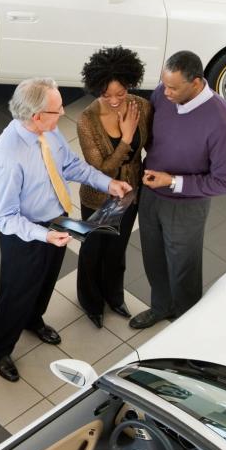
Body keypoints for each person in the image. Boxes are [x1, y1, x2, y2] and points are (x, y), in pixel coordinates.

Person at [0, 77, 131, 382]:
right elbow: (4, 217)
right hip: (26, 235)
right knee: (17, 292)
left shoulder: (49, 134)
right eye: (57, 109)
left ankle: (33, 319)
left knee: (45, 281)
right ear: (36, 116)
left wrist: (108, 183)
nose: (64, 112)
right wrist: (44, 235)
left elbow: (70, 167)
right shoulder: (8, 156)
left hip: (56, 222)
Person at [130, 50, 226, 330]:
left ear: (196, 83)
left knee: (183, 267)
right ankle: (161, 307)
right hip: (151, 195)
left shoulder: (223, 123)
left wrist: (172, 181)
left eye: (173, 87)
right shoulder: (163, 95)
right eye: (164, 84)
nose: (164, 92)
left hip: (187, 205)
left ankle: (187, 324)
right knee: (153, 257)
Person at [75, 47, 152, 329]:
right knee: (93, 250)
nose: (115, 100)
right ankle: (91, 301)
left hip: (130, 192)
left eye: (121, 93)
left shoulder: (141, 107)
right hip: (99, 196)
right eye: (107, 94)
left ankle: (114, 296)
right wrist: (126, 138)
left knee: (117, 248)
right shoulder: (87, 120)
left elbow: (152, 145)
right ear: (97, 90)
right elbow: (102, 169)